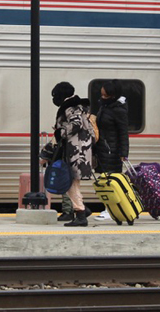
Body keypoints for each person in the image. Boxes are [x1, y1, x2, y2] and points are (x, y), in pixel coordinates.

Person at [50, 81, 94, 227]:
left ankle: (81, 213)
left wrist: (60, 131)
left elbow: (76, 124)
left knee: (71, 183)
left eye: (55, 95)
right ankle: (82, 209)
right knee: (72, 183)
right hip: (79, 148)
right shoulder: (78, 106)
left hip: (76, 150)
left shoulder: (70, 106)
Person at [92, 80, 130, 221]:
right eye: (102, 95)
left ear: (113, 95)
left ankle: (111, 210)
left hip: (112, 151)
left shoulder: (119, 110)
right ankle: (108, 209)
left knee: (111, 182)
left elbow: (123, 133)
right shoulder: (105, 106)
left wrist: (123, 153)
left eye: (106, 95)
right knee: (105, 181)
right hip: (104, 149)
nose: (102, 97)